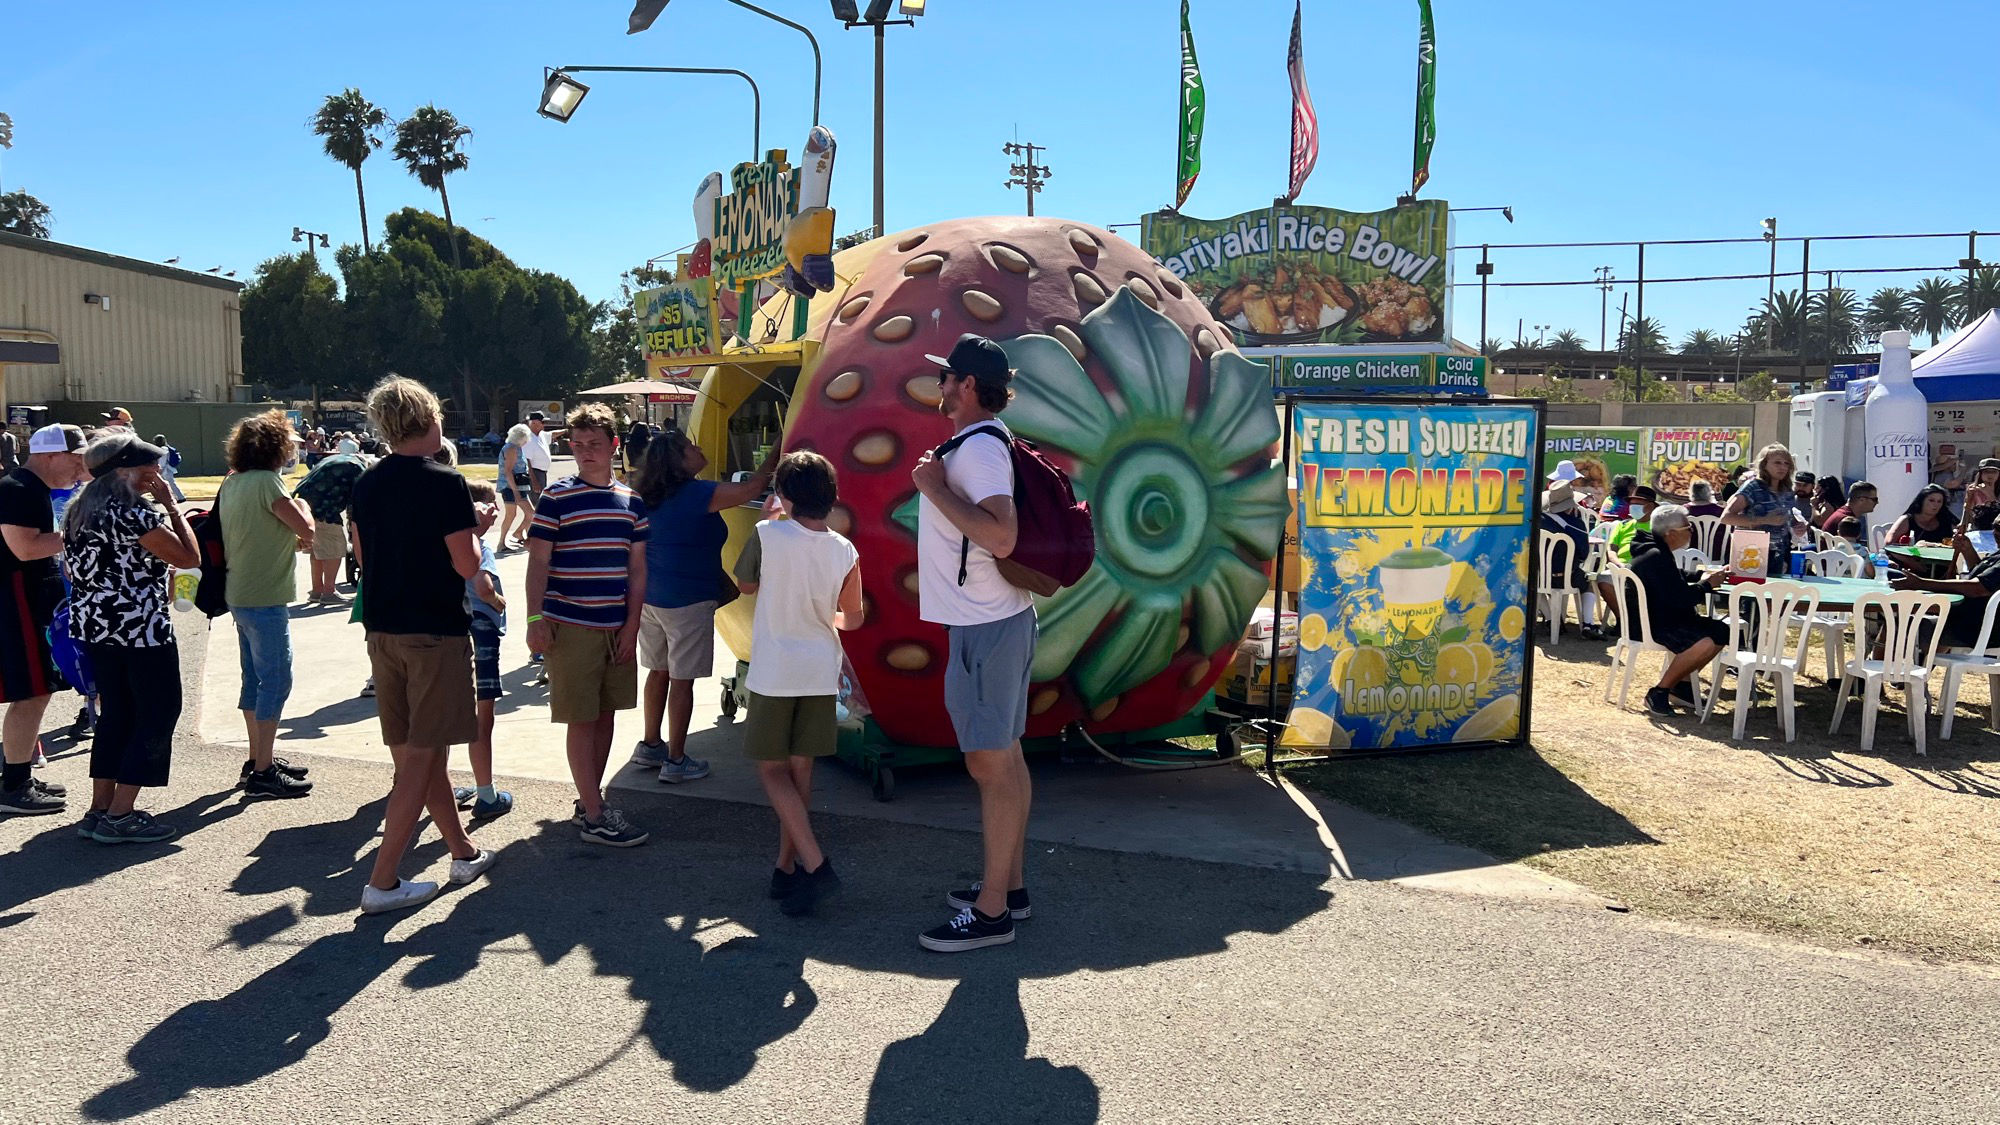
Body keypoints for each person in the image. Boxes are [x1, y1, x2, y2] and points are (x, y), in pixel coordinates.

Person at [347, 376, 495, 914]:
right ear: (431, 419)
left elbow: (364, 559)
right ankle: (383, 880)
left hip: (383, 630)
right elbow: (467, 565)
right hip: (434, 631)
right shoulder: (446, 482)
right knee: (424, 755)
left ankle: (462, 851)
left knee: (418, 752)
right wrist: (476, 527)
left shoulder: (367, 483)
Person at [911, 333, 1036, 953]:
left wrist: (932, 488)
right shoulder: (980, 445)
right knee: (1004, 756)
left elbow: (1003, 538)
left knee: (989, 762)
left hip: (986, 624)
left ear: (965, 386)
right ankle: (1007, 889)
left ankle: (991, 915)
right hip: (994, 619)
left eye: (946, 378)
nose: (939, 387)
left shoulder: (980, 451)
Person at [731, 451, 862, 915]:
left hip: (775, 668)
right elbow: (855, 617)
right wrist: (820, 611)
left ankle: (816, 863)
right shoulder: (845, 550)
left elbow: (745, 585)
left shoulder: (768, 534)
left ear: (782, 497)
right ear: (832, 497)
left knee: (771, 770)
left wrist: (769, 520)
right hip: (820, 667)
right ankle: (787, 869)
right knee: (800, 771)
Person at [63, 433, 200, 843]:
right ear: (122, 471)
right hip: (139, 628)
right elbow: (188, 558)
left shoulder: (77, 510)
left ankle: (100, 808)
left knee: (117, 713)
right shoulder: (132, 514)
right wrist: (174, 507)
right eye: (147, 466)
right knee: (156, 712)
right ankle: (122, 814)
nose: (156, 471)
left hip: (94, 626)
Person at [525, 404, 651, 847]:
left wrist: (632, 626)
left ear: (614, 446)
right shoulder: (556, 497)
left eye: (593, 445)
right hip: (570, 624)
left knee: (606, 713)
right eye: (577, 446)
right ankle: (595, 813)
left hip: (615, 625)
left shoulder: (631, 501)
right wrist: (535, 618)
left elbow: (637, 570)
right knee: (580, 718)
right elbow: (538, 561)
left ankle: (589, 801)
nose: (584, 454)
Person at [633, 428, 776, 782]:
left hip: (652, 598)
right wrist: (778, 447)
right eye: (690, 447)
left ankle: (651, 745)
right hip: (688, 601)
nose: (698, 448)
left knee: (659, 671)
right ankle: (676, 761)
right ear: (678, 461)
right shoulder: (697, 494)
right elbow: (753, 489)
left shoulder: (648, 494)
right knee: (682, 681)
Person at [216, 410, 315, 798]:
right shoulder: (269, 483)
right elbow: (304, 527)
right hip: (265, 595)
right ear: (277, 448)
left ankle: (260, 757)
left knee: (252, 678)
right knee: (276, 679)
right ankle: (262, 772)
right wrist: (303, 507)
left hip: (239, 590)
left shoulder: (233, 481)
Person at [0, 424, 85, 816]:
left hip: (30, 599)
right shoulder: (18, 488)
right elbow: (25, 547)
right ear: (51, 454)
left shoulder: (31, 487)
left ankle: (17, 776)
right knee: (30, 691)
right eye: (75, 457)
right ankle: (14, 785)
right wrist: (80, 533)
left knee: (37, 690)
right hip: (17, 600)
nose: (79, 467)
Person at [1621, 504, 1730, 716]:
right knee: (1705, 641)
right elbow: (1682, 599)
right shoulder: (1656, 557)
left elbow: (1673, 577)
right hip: (1654, 625)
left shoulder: (1653, 549)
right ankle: (1659, 691)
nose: (1691, 531)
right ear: (1671, 534)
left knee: (1721, 631)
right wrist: (1707, 585)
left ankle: (1682, 686)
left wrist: (1701, 575)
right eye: (1687, 527)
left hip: (1660, 616)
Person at [454, 478, 513, 822]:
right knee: (482, 718)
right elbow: (483, 583)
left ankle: (445, 786)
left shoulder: (449, 543)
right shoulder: (478, 544)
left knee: (448, 715)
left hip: (454, 634)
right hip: (483, 636)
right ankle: (487, 793)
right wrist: (497, 600)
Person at [290, 443, 369, 605]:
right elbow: (359, 502)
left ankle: (317, 590)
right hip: (326, 509)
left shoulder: (334, 459)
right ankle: (329, 591)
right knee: (334, 548)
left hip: (305, 505)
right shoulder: (358, 468)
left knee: (317, 550)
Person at [1720, 443, 1809, 576]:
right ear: (1764, 464)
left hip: (1779, 552)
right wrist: (1765, 520)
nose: (1783, 467)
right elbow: (1726, 517)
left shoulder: (1787, 490)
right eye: (1777, 463)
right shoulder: (1752, 487)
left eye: (1786, 463)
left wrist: (1798, 525)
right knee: (1750, 594)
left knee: (1772, 594)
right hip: (1751, 551)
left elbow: (1785, 519)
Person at [1540, 482, 1604, 640]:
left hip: (1541, 577)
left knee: (1533, 585)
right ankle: (1588, 624)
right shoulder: (1576, 524)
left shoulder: (1538, 521)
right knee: (1587, 585)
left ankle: (1550, 619)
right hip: (1569, 577)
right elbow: (1583, 554)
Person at [497, 424, 535, 551]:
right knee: (511, 515)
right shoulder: (511, 449)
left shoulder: (516, 448)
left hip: (519, 486)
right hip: (510, 486)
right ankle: (501, 542)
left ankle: (517, 533)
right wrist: (516, 492)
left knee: (530, 513)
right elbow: (508, 472)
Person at [1887, 483, 1958, 546]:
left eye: (1939, 501)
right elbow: (1889, 543)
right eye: (1931, 500)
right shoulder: (1907, 520)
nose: (1935, 505)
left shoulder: (1946, 520)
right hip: (1908, 558)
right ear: (1922, 501)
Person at [523, 411, 563, 504]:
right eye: (543, 422)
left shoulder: (541, 434)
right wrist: (534, 481)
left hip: (541, 473)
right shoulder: (528, 438)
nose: (544, 424)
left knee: (540, 501)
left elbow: (552, 434)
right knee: (537, 504)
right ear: (534, 423)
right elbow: (526, 461)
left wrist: (566, 430)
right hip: (534, 474)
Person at [152, 433, 187, 502]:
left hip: (165, 470)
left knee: (170, 484)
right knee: (160, 484)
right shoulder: (166, 448)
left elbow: (162, 461)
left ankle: (181, 497)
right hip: (166, 470)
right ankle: (159, 498)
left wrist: (159, 469)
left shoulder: (163, 449)